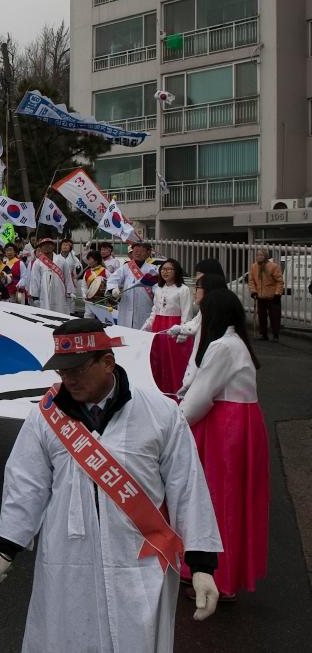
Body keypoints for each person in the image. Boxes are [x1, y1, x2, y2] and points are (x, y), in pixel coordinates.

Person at [0, 317, 222, 652]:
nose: (68, 379)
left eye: (77, 369)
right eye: (62, 372)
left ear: (107, 362)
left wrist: (202, 565)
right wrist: (5, 549)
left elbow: (187, 486)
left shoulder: (160, 413)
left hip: (140, 558)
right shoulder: (45, 416)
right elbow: (25, 483)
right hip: (67, 555)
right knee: (67, 637)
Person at [179, 289, 268, 601]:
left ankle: (217, 576)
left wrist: (175, 424)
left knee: (218, 500)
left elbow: (201, 396)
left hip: (224, 427)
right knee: (232, 500)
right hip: (239, 423)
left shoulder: (221, 346)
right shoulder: (237, 343)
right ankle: (222, 573)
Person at [142, 259, 195, 394]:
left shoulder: (183, 290)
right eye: (163, 269)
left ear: (176, 271)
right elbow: (155, 310)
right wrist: (147, 326)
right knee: (158, 360)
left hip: (174, 328)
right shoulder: (159, 288)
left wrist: (183, 333)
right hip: (159, 327)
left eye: (169, 269)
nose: (165, 272)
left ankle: (175, 392)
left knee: (174, 363)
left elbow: (186, 313)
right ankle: (159, 391)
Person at [106, 240, 158, 329]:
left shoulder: (153, 270)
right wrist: (114, 289)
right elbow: (112, 279)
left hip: (145, 307)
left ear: (148, 253)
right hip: (126, 307)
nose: (138, 253)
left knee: (143, 335)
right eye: (136, 251)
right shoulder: (125, 268)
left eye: (141, 251)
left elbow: (157, 288)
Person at [27, 236, 71, 316]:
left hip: (59, 292)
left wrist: (69, 292)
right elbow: (35, 280)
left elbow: (67, 277)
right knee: (46, 314)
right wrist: (35, 297)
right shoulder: (37, 263)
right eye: (44, 245)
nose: (46, 246)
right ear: (41, 248)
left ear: (53, 246)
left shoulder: (61, 260)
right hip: (44, 293)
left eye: (49, 244)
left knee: (60, 313)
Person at [247, 249, 284, 342]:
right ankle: (263, 334)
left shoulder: (273, 266)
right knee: (262, 316)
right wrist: (253, 291)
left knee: (274, 316)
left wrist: (277, 293)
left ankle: (275, 335)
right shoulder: (254, 266)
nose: (259, 257)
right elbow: (251, 281)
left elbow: (279, 281)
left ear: (266, 256)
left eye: (261, 255)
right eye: (258, 255)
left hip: (273, 296)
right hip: (260, 296)